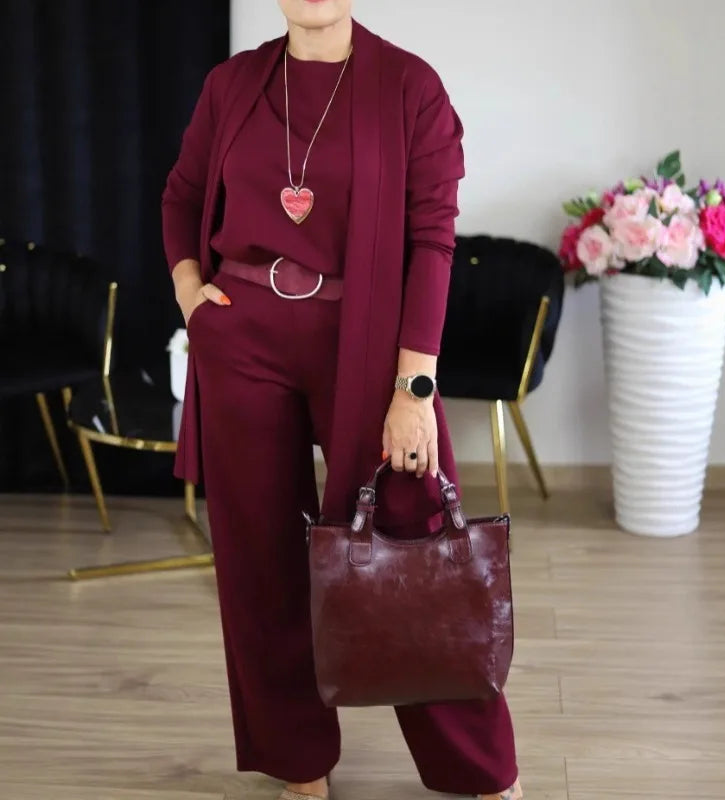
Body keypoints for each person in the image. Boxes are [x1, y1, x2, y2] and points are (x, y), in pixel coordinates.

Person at [162, 1, 522, 798]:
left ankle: (480, 770)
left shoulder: (410, 88)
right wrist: (191, 295)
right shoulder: (232, 84)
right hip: (243, 335)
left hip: (369, 341)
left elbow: (433, 242)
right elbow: (182, 195)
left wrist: (414, 388)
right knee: (259, 561)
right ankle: (298, 763)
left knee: (414, 543)